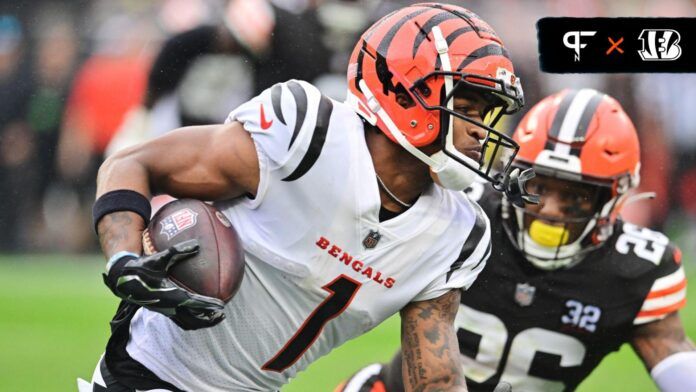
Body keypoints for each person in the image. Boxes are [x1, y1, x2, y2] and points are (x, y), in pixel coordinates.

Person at [81, 3, 530, 391]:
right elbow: (134, 162)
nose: (480, 132)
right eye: (467, 109)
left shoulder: (457, 232)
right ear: (405, 93)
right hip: (146, 375)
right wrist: (122, 259)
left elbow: (433, 374)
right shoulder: (305, 135)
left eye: (486, 114)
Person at [338, 89, 696, 392]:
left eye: (576, 196)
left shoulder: (634, 269)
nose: (550, 209)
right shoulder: (462, 213)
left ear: (614, 200)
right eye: (537, 186)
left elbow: (672, 353)